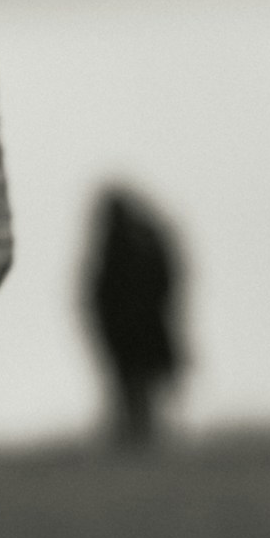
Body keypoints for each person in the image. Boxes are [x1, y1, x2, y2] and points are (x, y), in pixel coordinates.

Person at [87, 188, 185, 448]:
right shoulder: (141, 240)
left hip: (136, 331)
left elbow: (100, 293)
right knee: (136, 387)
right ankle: (140, 439)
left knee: (136, 387)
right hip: (133, 331)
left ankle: (140, 439)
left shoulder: (126, 243)